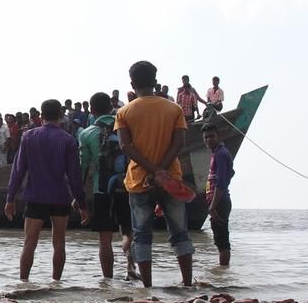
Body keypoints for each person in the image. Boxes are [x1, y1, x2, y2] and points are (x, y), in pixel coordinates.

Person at [115, 61, 195, 287]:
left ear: (132, 83)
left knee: (142, 235)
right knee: (180, 232)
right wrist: (161, 171)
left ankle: (147, 286)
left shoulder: (124, 112)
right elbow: (179, 143)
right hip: (171, 180)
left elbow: (125, 147)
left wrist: (151, 171)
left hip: (139, 181)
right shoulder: (174, 109)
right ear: (156, 81)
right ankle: (187, 283)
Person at [5, 99, 89, 282]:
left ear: (41, 116)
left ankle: (23, 283)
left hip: (35, 196)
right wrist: (82, 204)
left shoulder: (29, 136)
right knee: (59, 243)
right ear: (61, 116)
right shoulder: (68, 140)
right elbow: (74, 176)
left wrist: (10, 198)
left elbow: (18, 170)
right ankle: (56, 284)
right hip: (60, 197)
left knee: (29, 242)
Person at [80, 92, 137, 280]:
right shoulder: (125, 126)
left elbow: (84, 166)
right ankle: (130, 264)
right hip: (128, 185)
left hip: (102, 189)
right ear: (111, 107)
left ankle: (108, 281)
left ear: (92, 110)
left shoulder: (87, 133)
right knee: (128, 231)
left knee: (105, 240)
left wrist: (78, 194)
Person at [202, 124, 234, 267]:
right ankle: (222, 274)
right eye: (206, 137)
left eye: (211, 136)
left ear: (218, 136)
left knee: (222, 241)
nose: (209, 140)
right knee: (219, 239)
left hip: (219, 202)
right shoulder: (217, 153)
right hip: (219, 201)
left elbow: (221, 182)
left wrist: (212, 207)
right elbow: (231, 173)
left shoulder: (221, 154)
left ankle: (223, 274)